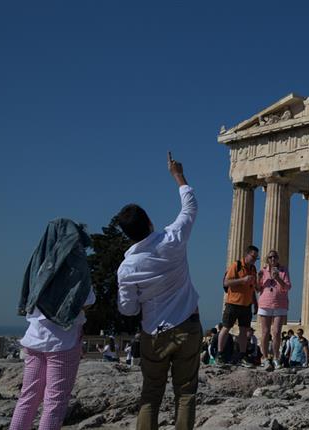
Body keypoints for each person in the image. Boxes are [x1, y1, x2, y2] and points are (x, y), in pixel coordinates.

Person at [116, 153, 202, 430]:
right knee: (186, 393)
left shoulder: (127, 268)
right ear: (150, 222)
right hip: (187, 327)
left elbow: (127, 309)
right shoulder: (172, 239)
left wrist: (143, 300)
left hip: (153, 333)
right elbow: (190, 207)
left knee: (150, 393)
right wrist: (177, 174)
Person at [11, 218, 94, 430]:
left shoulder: (38, 263)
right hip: (63, 342)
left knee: (27, 397)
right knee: (54, 403)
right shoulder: (76, 266)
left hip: (34, 339)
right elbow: (87, 300)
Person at [220, 245, 259, 367]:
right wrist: (242, 280)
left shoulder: (253, 269)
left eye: (256, 258)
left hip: (246, 304)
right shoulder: (235, 265)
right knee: (226, 328)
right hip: (233, 303)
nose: (254, 259)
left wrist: (255, 303)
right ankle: (220, 354)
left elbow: (252, 288)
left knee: (244, 331)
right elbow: (226, 282)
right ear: (246, 255)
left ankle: (242, 355)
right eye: (253, 256)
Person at [256, 250, 291, 371]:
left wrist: (278, 279)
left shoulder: (283, 270)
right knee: (265, 332)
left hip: (280, 304)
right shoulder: (263, 271)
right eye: (270, 257)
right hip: (265, 303)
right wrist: (258, 278)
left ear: (278, 258)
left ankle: (276, 358)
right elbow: (257, 288)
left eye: (275, 257)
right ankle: (265, 358)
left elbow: (287, 287)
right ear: (267, 259)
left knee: (276, 332)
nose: (272, 259)